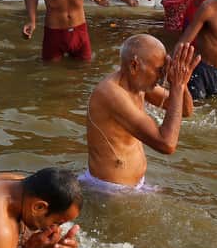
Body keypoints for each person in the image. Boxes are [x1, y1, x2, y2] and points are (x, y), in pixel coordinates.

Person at [84, 35, 200, 190]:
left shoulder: (139, 84)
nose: (161, 77)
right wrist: (177, 87)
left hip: (133, 186)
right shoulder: (111, 94)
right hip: (110, 189)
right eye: (159, 70)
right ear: (134, 66)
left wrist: (180, 82)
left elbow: (186, 110)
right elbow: (167, 144)